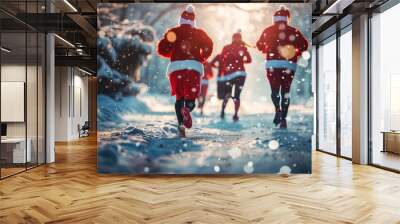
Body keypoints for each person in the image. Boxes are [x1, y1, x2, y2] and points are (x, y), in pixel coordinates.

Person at [157, 4, 213, 137]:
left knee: (179, 98)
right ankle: (187, 109)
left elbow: (161, 48)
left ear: (180, 20)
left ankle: (181, 126)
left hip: (176, 69)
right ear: (193, 21)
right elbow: (209, 45)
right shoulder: (199, 33)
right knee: (192, 98)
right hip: (193, 67)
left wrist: (173, 54)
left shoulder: (173, 32)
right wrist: (203, 56)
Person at [256, 6, 308, 128]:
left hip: (272, 64)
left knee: (274, 91)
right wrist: (296, 51)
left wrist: (265, 48)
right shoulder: (294, 31)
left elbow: (259, 45)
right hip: (288, 65)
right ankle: (283, 119)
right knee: (285, 91)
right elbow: (304, 45)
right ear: (287, 18)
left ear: (274, 18)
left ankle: (278, 110)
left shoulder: (268, 30)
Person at [219, 30, 252, 121]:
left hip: (229, 74)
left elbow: (221, 59)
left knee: (227, 94)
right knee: (237, 95)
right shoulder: (243, 48)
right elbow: (249, 60)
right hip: (241, 74)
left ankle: (222, 111)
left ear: (232, 38)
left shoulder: (226, 47)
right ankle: (235, 114)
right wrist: (241, 62)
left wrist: (227, 64)